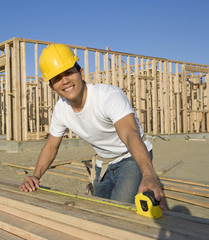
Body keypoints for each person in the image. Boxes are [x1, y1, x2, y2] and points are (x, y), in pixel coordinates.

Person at [19, 43, 166, 209]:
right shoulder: (61, 109)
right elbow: (51, 146)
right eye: (57, 78)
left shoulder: (107, 96)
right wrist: (36, 176)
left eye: (68, 72)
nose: (65, 81)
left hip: (131, 157)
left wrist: (148, 174)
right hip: (103, 162)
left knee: (119, 213)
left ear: (81, 73)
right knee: (99, 210)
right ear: (52, 87)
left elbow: (130, 134)